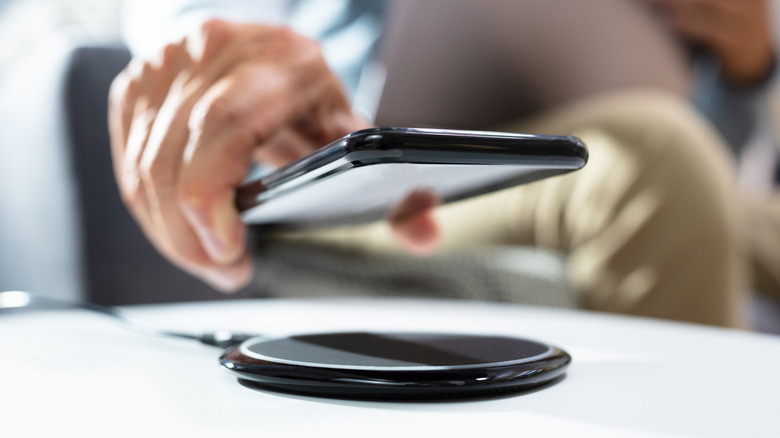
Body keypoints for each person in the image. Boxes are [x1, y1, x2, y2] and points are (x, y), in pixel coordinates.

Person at [110, 0, 775, 327]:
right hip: (384, 172)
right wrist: (225, 47)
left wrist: (749, 67)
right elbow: (183, 19)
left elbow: (715, 146)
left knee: (686, 163)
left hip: (594, 137)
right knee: (659, 164)